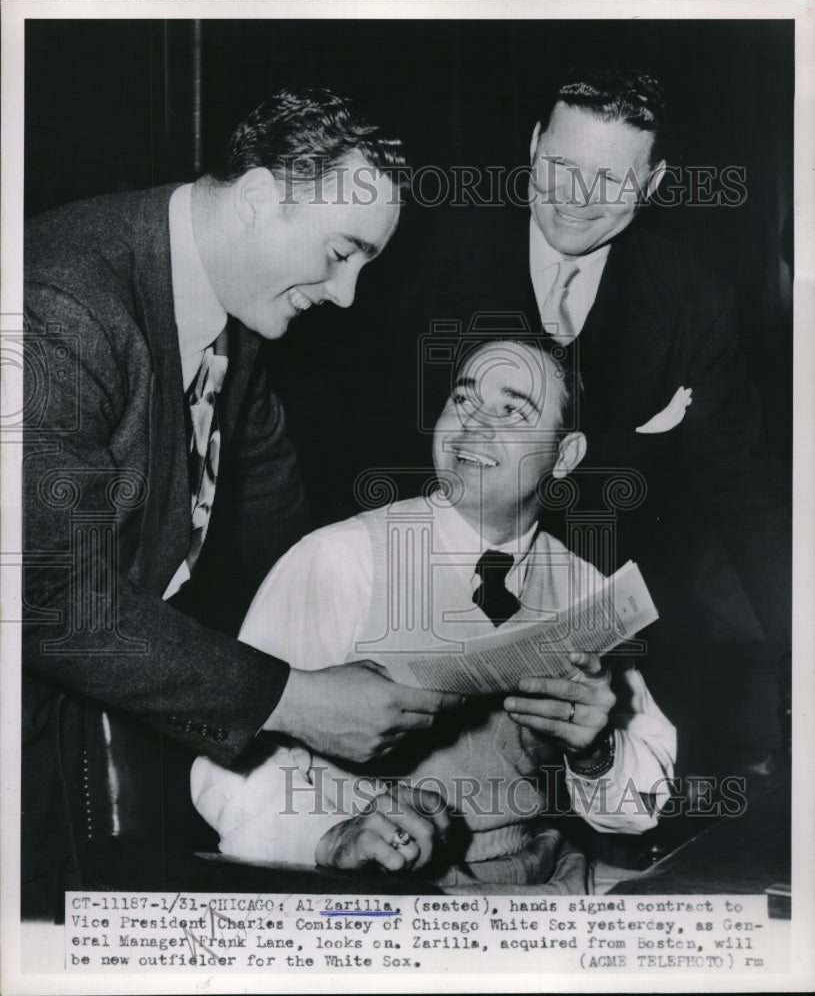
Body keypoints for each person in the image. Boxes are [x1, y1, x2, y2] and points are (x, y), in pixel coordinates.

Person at [22, 88, 461, 915]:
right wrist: (295, 700)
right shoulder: (62, 304)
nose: (346, 294)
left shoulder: (235, 314)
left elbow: (270, 516)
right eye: (341, 252)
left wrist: (355, 649)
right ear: (259, 198)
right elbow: (44, 595)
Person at [405, 66, 790, 780]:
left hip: (610, 658)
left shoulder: (693, 302)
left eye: (610, 181)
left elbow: (744, 490)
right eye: (559, 166)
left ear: (651, 183)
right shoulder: (421, 259)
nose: (575, 201)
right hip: (426, 624)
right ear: (530, 146)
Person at [192, 339, 676, 893]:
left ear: (565, 456)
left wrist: (594, 753)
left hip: (543, 891)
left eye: (513, 410)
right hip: (381, 900)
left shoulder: (586, 591)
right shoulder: (340, 560)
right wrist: (329, 837)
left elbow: (643, 804)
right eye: (463, 399)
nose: (473, 424)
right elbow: (223, 759)